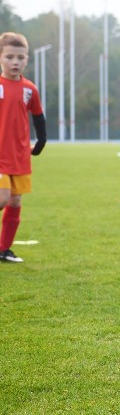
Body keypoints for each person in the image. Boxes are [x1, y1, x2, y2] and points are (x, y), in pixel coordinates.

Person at [0, 32, 46, 264]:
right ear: (1, 58)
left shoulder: (30, 89)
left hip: (19, 155)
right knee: (2, 198)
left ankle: (4, 250)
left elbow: (38, 117)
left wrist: (41, 141)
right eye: (9, 57)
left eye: (20, 57)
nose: (15, 62)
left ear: (27, 59)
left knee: (15, 202)